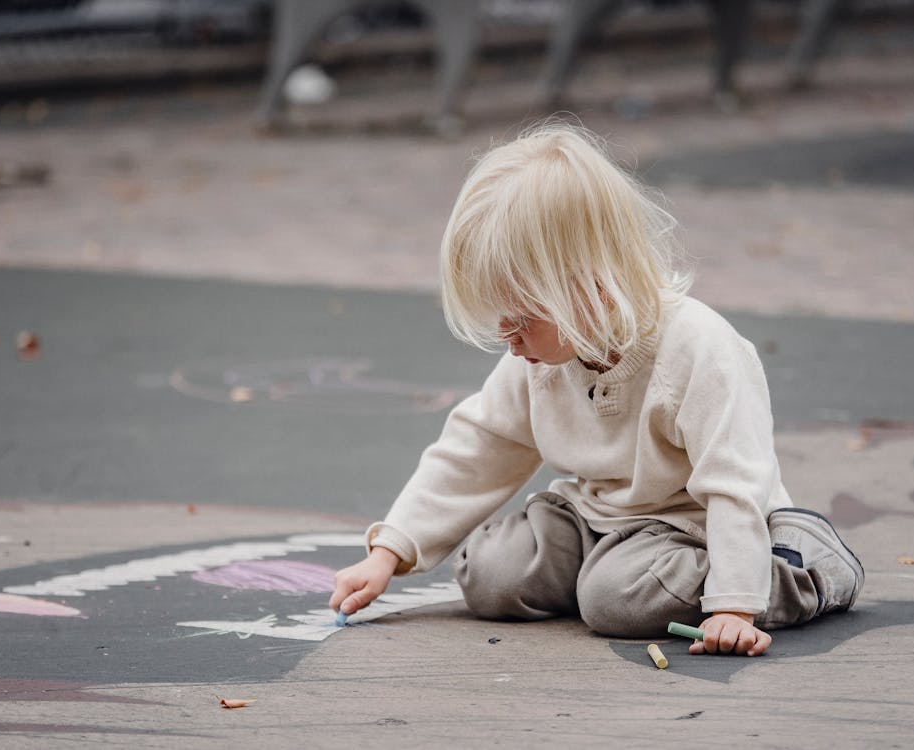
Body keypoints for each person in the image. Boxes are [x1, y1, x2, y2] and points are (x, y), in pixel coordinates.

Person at [329, 122, 863, 656]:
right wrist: (389, 552)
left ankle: (799, 568)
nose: (507, 341)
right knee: (490, 574)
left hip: (690, 527)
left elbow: (733, 484)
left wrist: (734, 604)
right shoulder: (541, 355)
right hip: (595, 518)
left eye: (520, 320)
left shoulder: (697, 348)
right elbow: (479, 446)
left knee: (619, 599)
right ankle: (602, 576)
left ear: (593, 287)